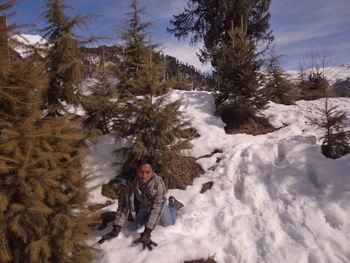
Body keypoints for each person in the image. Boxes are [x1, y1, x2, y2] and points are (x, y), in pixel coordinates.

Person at [99, 156, 184, 250]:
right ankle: (148, 216)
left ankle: (173, 206)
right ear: (137, 171)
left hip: (158, 206)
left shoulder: (158, 184)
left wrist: (146, 233)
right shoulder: (127, 183)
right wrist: (116, 229)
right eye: (141, 172)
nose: (144, 176)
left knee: (168, 225)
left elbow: (156, 209)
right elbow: (123, 206)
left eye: (147, 172)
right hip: (142, 207)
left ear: (153, 171)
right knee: (131, 228)